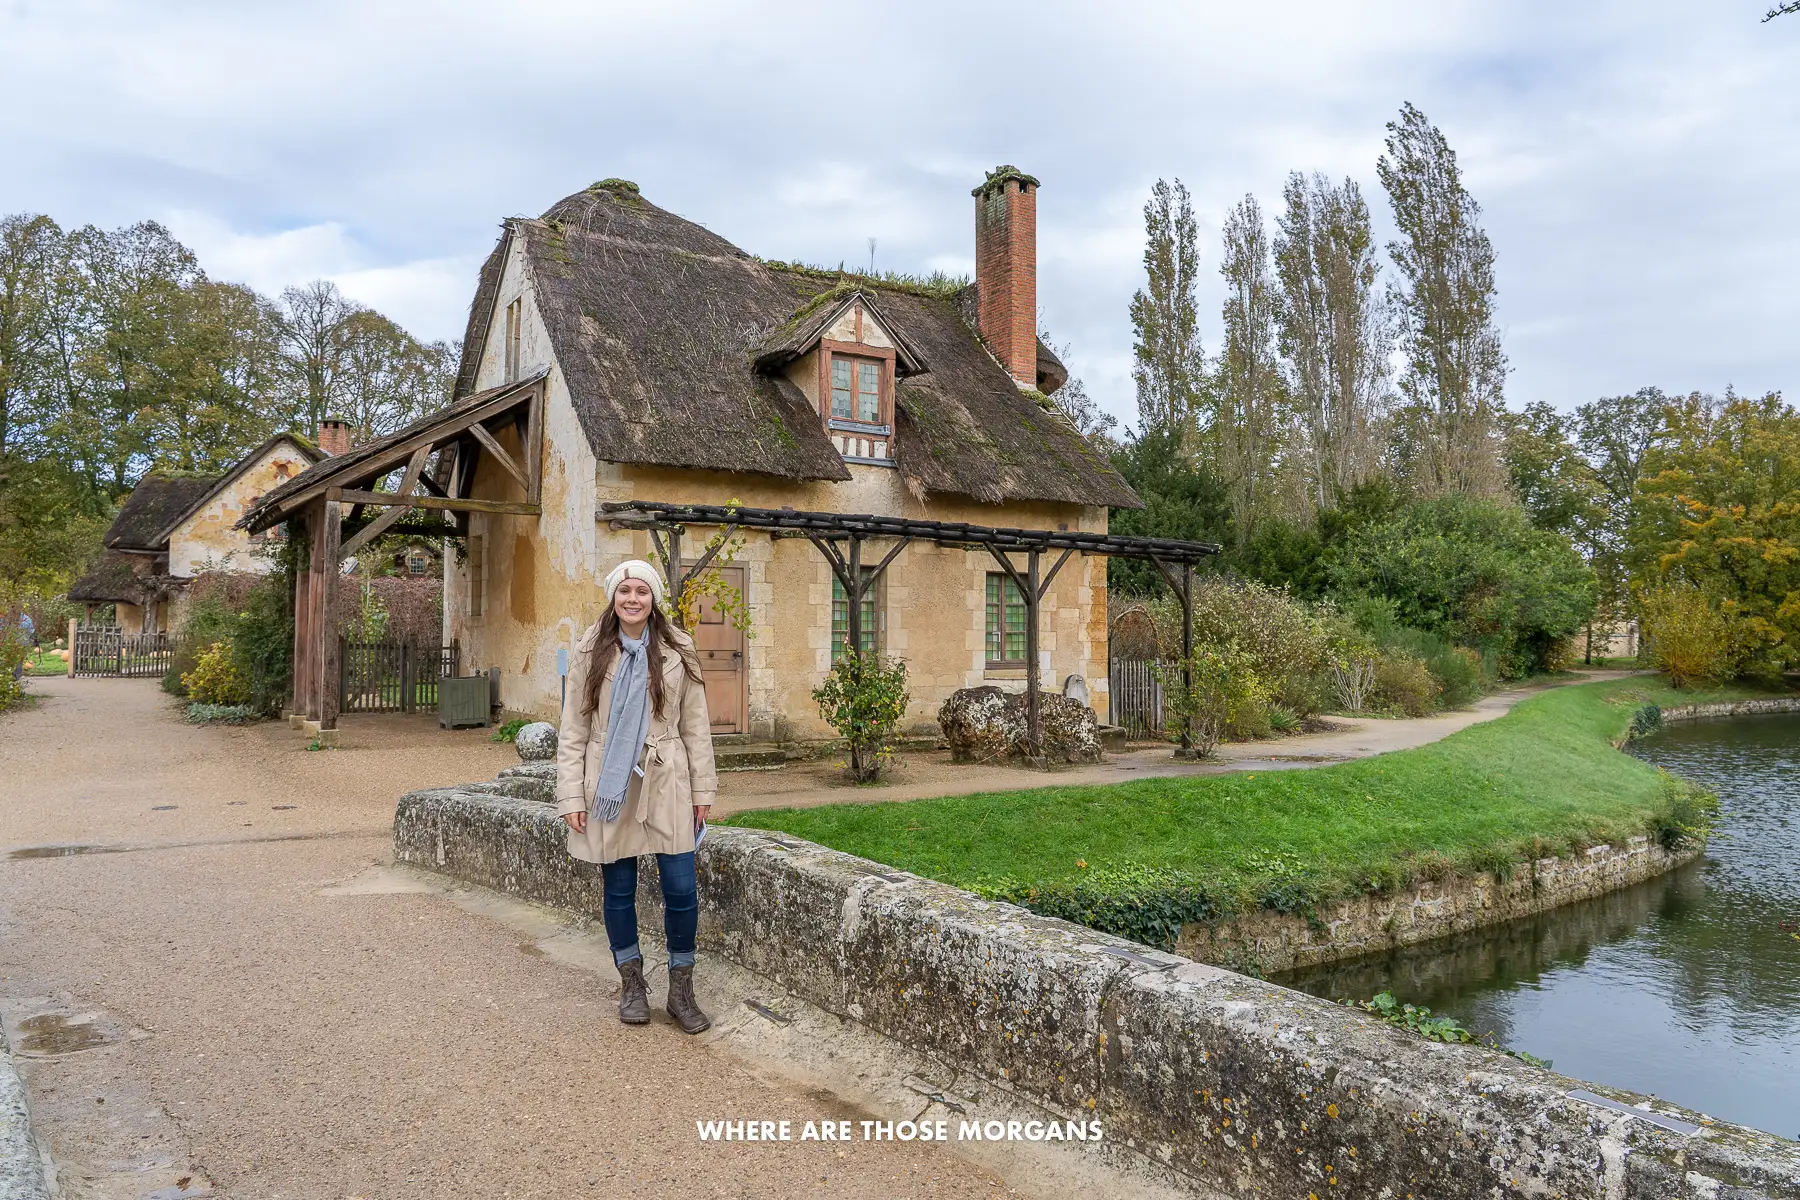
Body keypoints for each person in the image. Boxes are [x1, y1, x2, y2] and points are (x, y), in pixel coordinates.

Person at [555, 560, 717, 1032]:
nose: (632, 599)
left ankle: (682, 991)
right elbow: (573, 729)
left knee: (682, 888)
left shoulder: (677, 649)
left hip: (667, 776)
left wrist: (703, 789)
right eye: (624, 590)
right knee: (619, 889)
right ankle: (632, 983)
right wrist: (572, 797)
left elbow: (696, 725)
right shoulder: (591, 649)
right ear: (614, 597)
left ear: (654, 598)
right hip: (610, 781)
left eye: (641, 591)